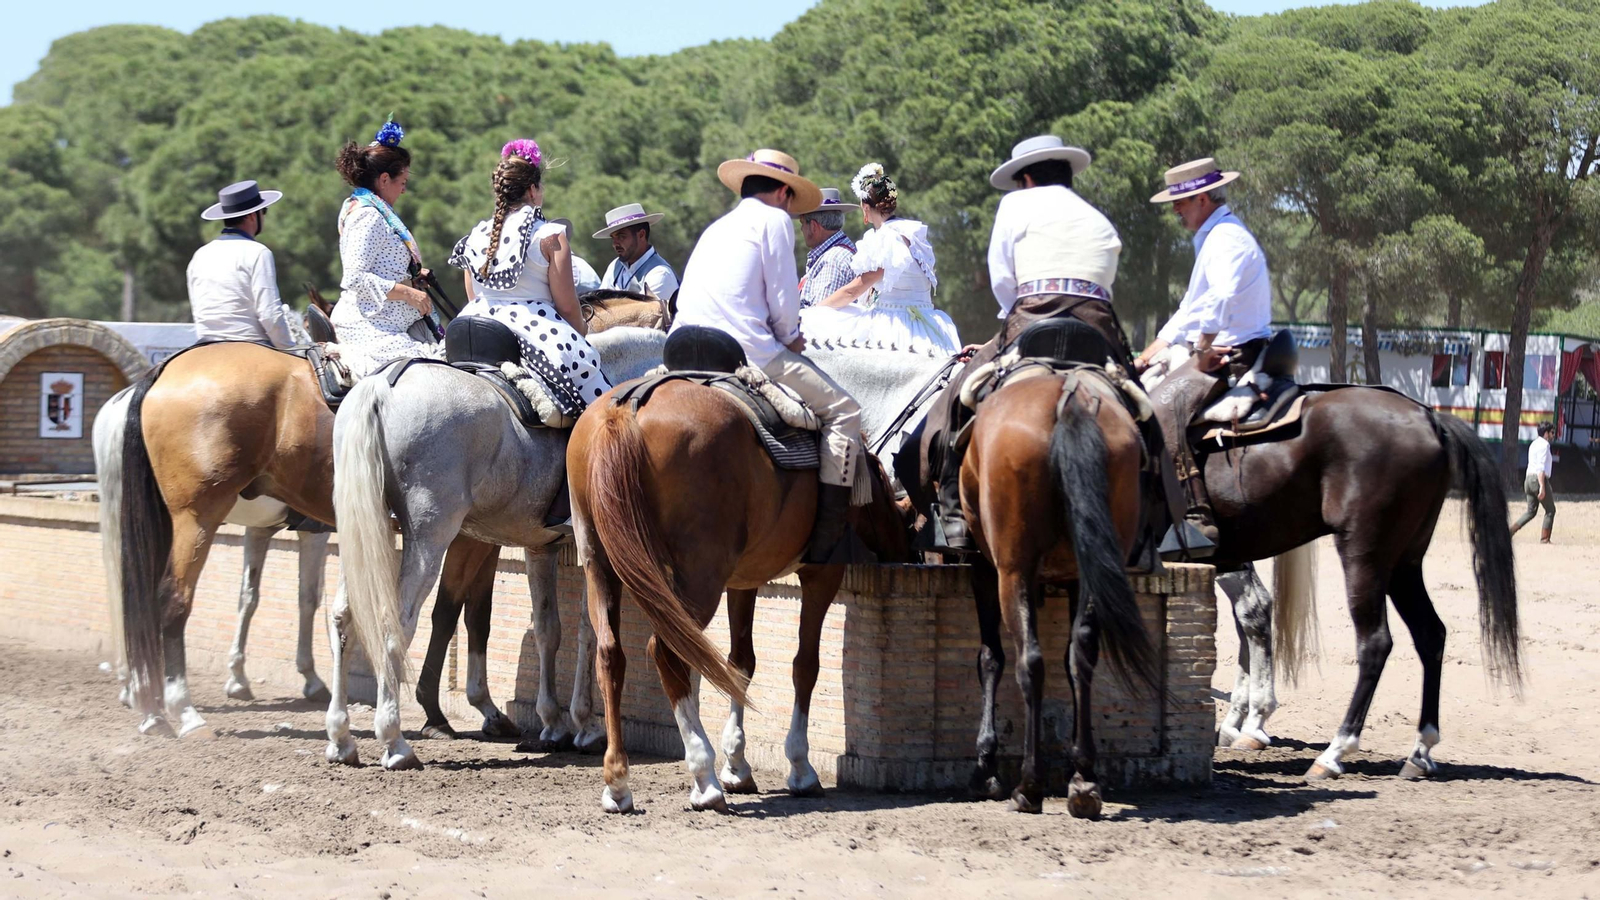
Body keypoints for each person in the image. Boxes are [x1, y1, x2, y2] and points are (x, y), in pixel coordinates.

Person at [919, 135, 1126, 550]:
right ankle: (1161, 521)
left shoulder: (1016, 205)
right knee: (1143, 410)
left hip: (1032, 317)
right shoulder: (1099, 218)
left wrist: (1010, 319)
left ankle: (951, 514)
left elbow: (1002, 278)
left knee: (951, 408)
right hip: (1097, 327)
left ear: (1026, 179)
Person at [671, 148, 864, 561]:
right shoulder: (775, 220)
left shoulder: (717, 227)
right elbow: (782, 302)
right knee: (845, 411)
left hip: (682, 346)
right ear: (781, 192)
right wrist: (793, 338)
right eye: (791, 199)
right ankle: (826, 541)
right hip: (744, 351)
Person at [1132, 157, 1273, 546]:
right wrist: (1145, 356)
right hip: (1226, 345)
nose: (1176, 209)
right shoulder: (1215, 236)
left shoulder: (1225, 239)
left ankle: (1197, 516)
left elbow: (1221, 299)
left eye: (1183, 200)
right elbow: (1190, 309)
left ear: (1205, 198)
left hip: (1231, 353)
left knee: (1160, 411)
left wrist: (1201, 349)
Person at [449, 139, 610, 415]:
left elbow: (473, 295)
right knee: (602, 412)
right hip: (535, 331)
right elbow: (569, 307)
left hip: (474, 327)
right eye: (541, 186)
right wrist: (581, 338)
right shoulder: (550, 235)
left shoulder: (475, 236)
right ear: (533, 190)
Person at [328, 117, 444, 377]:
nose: (403, 191)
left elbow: (380, 266)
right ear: (383, 179)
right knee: (428, 373)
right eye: (402, 183)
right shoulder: (368, 216)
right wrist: (408, 293)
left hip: (388, 322)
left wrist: (412, 276)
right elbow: (356, 278)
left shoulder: (366, 209)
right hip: (370, 326)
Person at [801, 164, 959, 353]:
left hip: (898, 325)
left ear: (866, 207)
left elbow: (853, 291)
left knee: (812, 324)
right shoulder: (912, 235)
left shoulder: (887, 238)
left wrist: (815, 311)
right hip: (927, 322)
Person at [188, 180, 299, 348]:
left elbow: (198, 310)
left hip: (204, 344)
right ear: (252, 216)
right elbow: (269, 314)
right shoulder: (258, 252)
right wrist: (290, 349)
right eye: (264, 211)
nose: (264, 216)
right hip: (250, 343)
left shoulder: (199, 254)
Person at [595, 204, 678, 299]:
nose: (615, 244)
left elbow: (649, 313)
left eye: (621, 236)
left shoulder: (660, 274)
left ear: (641, 235)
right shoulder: (614, 267)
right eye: (613, 238)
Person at [795, 188, 858, 309]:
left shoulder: (832, 261)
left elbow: (820, 318)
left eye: (802, 223)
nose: (802, 229)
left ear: (813, 226)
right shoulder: (837, 254)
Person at [1511, 422, 1558, 543]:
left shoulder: (1533, 444)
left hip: (1528, 479)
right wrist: (1542, 486)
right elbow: (1541, 467)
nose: (1553, 435)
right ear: (1546, 433)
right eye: (1551, 432)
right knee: (1550, 510)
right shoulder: (1545, 445)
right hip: (1538, 479)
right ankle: (1545, 539)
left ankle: (1510, 531)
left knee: (1530, 512)